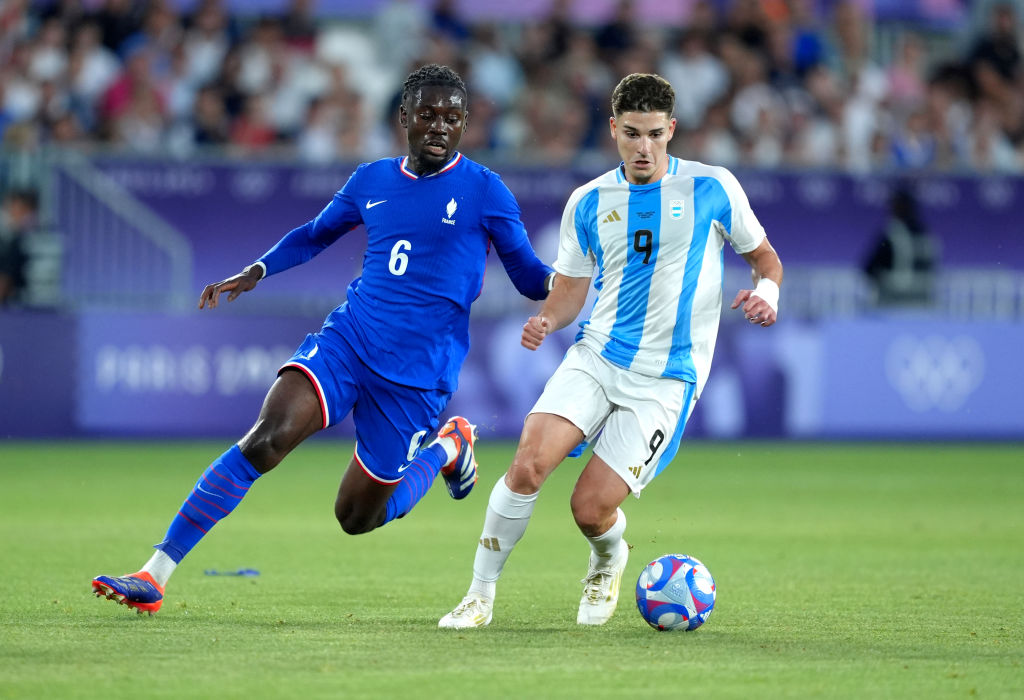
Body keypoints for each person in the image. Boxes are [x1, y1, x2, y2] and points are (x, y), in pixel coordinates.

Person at [92, 64, 554, 614]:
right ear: (404, 118)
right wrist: (257, 270)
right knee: (266, 438)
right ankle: (155, 572)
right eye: (427, 115)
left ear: (464, 126)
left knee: (357, 518)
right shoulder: (372, 180)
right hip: (349, 341)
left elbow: (527, 275)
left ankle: (450, 446)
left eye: (451, 118)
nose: (438, 127)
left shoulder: (485, 190)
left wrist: (574, 285)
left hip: (418, 376)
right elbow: (314, 236)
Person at [438, 73, 783, 629]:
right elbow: (571, 289)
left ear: (671, 129)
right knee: (528, 464)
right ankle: (478, 596)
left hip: (667, 377)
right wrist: (548, 319)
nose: (643, 147)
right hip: (598, 355)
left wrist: (766, 295)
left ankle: (608, 558)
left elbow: (766, 260)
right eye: (631, 134)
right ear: (613, 131)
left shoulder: (712, 187)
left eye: (653, 134)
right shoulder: (589, 202)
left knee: (590, 509)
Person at [863, 185, 937, 306]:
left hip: (893, 304)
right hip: (923, 304)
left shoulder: (891, 236)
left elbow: (868, 269)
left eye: (894, 206)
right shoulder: (926, 236)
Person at [0, 189, 37, 306]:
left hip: (21, 305)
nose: (11, 213)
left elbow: (5, 280)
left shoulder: (20, 242)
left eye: (18, 210)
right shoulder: (9, 239)